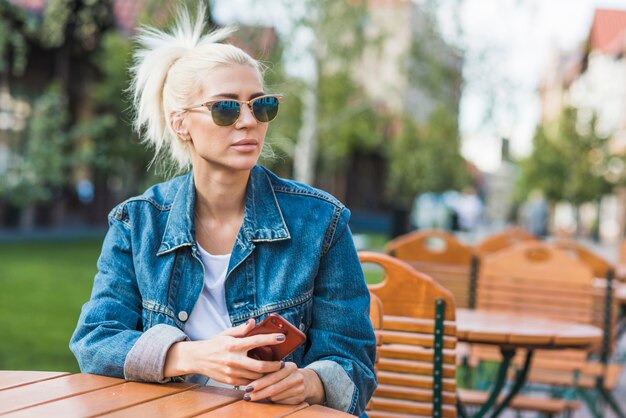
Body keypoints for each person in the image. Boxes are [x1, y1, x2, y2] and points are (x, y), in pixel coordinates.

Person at [69, 5, 377, 416]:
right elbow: (95, 340)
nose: (248, 121)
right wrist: (194, 356)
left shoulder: (321, 222)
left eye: (261, 105)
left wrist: (309, 382)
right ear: (181, 123)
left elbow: (354, 360)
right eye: (226, 108)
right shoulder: (137, 223)